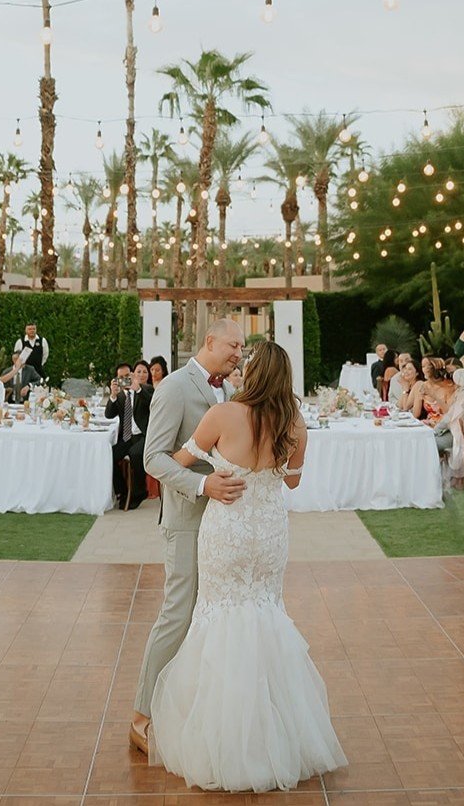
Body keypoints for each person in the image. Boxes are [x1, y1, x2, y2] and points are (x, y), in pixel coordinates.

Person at [149, 340, 347, 792]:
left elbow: (177, 462)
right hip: (269, 533)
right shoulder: (295, 424)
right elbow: (292, 482)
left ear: (253, 374)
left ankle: (225, 744)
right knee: (265, 614)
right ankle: (274, 739)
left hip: (227, 530)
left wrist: (212, 472)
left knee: (219, 619)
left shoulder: (223, 415)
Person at [131, 318, 246, 757]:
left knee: (211, 615)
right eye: (234, 345)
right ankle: (141, 716)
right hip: (185, 520)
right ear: (209, 341)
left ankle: (191, 707)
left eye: (242, 348)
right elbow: (153, 458)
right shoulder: (175, 387)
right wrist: (202, 485)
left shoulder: (229, 391)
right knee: (177, 614)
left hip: (222, 525)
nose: (239, 353)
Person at [105, 360, 152, 509]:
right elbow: (109, 415)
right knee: (109, 455)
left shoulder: (145, 389)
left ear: (132, 375)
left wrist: (137, 389)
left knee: (135, 453)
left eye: (127, 376)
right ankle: (122, 491)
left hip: (144, 435)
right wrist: (112, 396)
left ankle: (140, 492)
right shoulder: (119, 395)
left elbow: (153, 404)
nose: (125, 380)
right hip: (127, 437)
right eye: (121, 378)